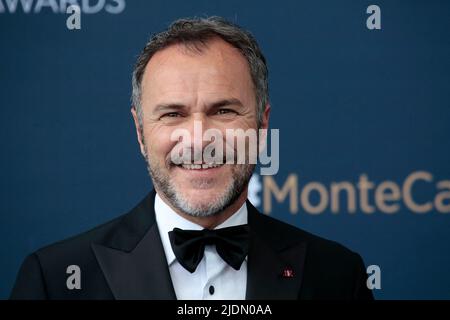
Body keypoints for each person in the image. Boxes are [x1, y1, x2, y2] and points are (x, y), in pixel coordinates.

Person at [10, 16, 373, 300]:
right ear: (140, 133)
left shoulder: (337, 276)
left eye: (224, 111)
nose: (199, 139)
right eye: (173, 114)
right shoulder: (55, 279)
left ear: (262, 126)